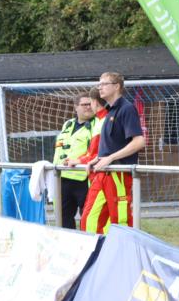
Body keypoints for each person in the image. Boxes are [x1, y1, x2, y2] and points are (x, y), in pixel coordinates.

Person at [81, 72, 146, 234]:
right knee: (89, 219)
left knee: (121, 221)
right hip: (103, 173)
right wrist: (97, 159)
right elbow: (111, 145)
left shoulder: (127, 109)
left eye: (104, 84)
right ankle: (99, 255)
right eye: (99, 84)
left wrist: (110, 158)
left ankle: (125, 256)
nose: (100, 87)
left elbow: (139, 141)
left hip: (119, 174)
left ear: (116, 86)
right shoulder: (109, 111)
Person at [53, 93, 95, 229]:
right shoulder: (68, 124)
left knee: (88, 217)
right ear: (76, 107)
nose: (88, 107)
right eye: (84, 104)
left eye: (90, 104)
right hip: (62, 178)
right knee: (63, 218)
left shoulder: (96, 125)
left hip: (83, 179)